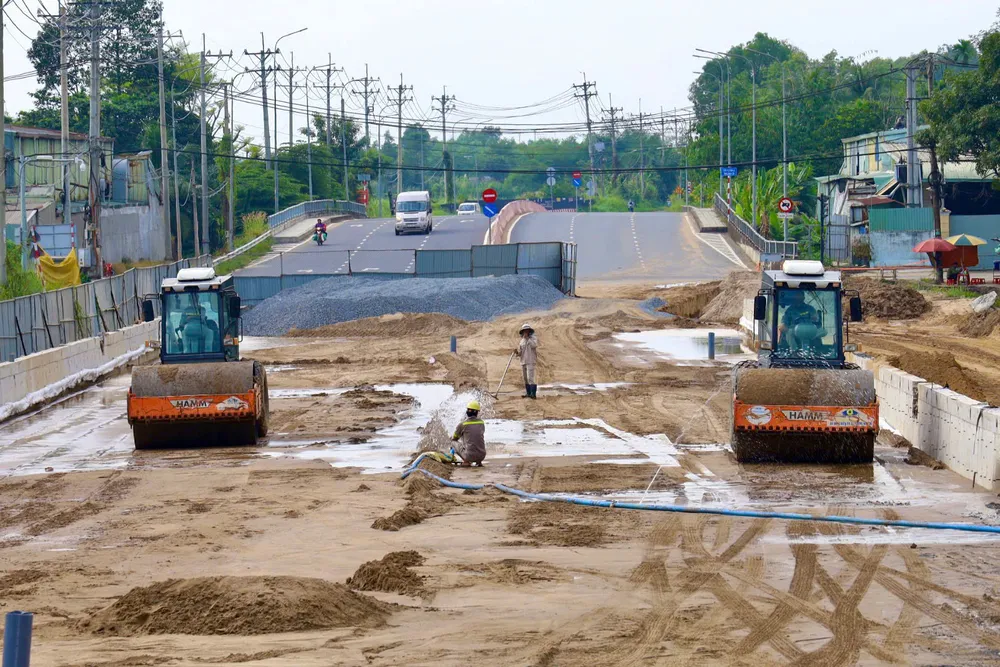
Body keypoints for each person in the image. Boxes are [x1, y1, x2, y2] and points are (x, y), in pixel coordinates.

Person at [451, 400, 486, 466]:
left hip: (469, 456)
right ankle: (478, 462)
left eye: (468, 409)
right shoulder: (481, 422)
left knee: (453, 442)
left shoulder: (462, 424)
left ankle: (466, 461)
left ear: (468, 412)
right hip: (482, 456)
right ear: (477, 412)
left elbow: (455, 438)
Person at [515, 323, 538, 399]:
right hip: (523, 361)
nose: (526, 332)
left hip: (530, 361)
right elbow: (520, 352)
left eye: (527, 331)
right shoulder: (521, 341)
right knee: (525, 378)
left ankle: (533, 394)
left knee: (530, 378)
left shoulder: (533, 339)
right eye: (524, 331)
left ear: (529, 331)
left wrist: (528, 339)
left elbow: (534, 346)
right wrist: (516, 353)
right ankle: (528, 393)